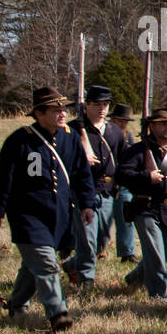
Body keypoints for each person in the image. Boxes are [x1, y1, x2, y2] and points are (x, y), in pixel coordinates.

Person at [0, 87, 96, 333]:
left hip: (58, 216)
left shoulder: (69, 137)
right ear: (39, 113)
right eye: (56, 110)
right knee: (46, 264)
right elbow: (4, 180)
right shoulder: (19, 140)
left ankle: (15, 306)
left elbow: (81, 175)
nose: (62, 114)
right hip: (27, 216)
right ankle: (58, 314)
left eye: (63, 109)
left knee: (32, 266)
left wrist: (88, 203)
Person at [117, 108, 167, 302]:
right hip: (146, 209)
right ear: (152, 126)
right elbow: (122, 175)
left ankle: (134, 278)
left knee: (165, 253)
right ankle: (160, 296)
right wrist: (146, 177)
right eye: (164, 123)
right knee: (156, 255)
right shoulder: (136, 151)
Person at [61, 84, 122, 292]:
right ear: (87, 105)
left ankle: (71, 265)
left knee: (102, 239)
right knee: (87, 239)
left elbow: (122, 159)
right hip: (82, 191)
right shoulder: (73, 129)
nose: (102, 108)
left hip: (106, 191)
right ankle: (87, 281)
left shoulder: (114, 131)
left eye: (105, 104)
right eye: (97, 104)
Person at [107, 103, 139, 263]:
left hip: (124, 184)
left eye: (125, 121)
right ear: (112, 120)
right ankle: (99, 249)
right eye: (120, 121)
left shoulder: (129, 137)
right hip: (106, 183)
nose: (123, 124)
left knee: (126, 218)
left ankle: (127, 252)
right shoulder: (104, 135)